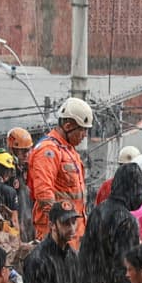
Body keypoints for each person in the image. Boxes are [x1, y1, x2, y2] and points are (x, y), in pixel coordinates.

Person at [28, 97, 93, 242]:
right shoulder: (48, 151)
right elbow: (44, 194)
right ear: (68, 126)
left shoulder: (69, 151)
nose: (85, 135)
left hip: (72, 234)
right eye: (82, 130)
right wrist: (59, 228)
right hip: (57, 236)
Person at [6, 127, 36, 243]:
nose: (27, 154)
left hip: (30, 222)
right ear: (13, 150)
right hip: (16, 224)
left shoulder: (29, 169)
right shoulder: (8, 172)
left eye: (29, 150)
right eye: (23, 151)